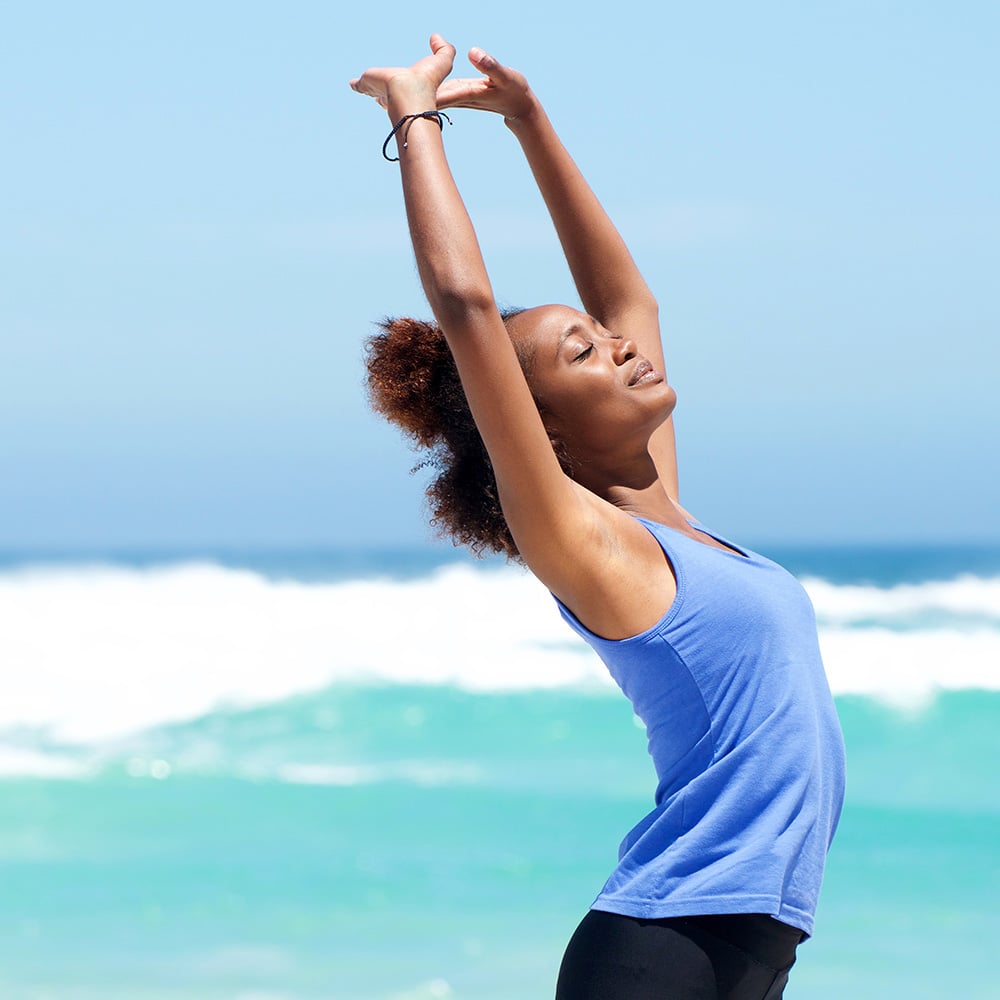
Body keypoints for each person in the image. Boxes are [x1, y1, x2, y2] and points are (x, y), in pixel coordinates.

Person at [350, 35, 846, 1000]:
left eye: (603, 341)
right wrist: (418, 119)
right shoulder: (590, 542)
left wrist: (531, 122)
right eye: (584, 356)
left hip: (748, 944)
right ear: (543, 433)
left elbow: (628, 296)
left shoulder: (668, 514)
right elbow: (462, 302)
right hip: (666, 947)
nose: (619, 347)